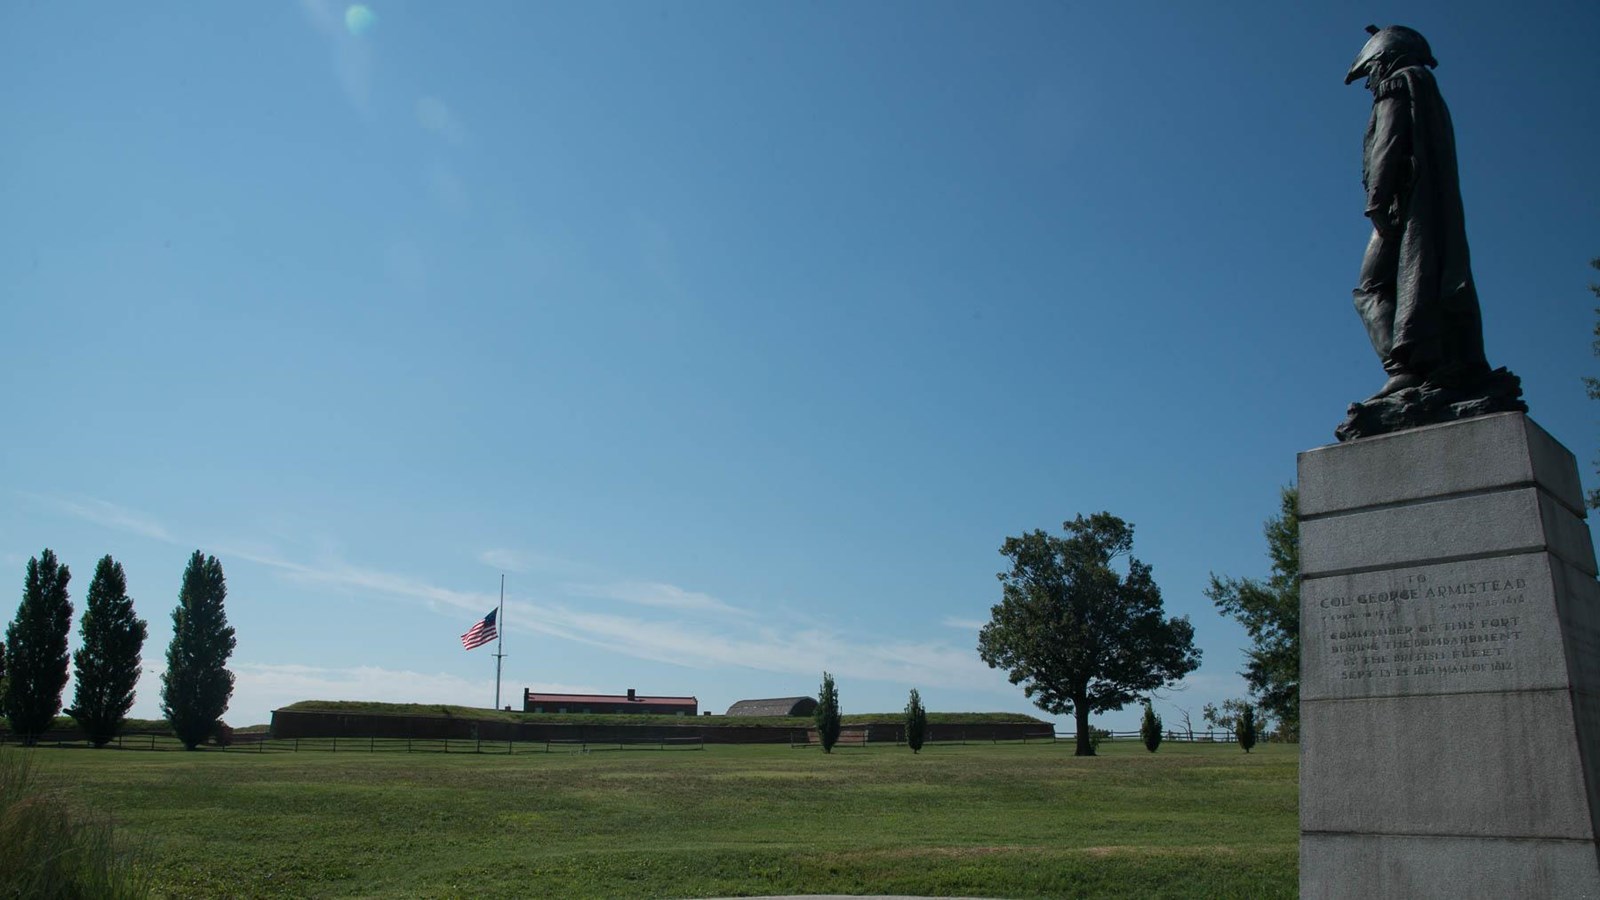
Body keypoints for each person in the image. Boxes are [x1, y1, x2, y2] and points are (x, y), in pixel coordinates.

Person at [1346, 25, 1488, 401]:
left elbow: (1387, 144)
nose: (1369, 82)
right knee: (1426, 279)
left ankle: (1405, 366)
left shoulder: (1396, 85)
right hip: (1424, 206)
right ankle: (1438, 360)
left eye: (1369, 70)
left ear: (1384, 59)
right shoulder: (1425, 87)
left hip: (1400, 206)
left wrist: (1376, 201)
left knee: (1370, 287)